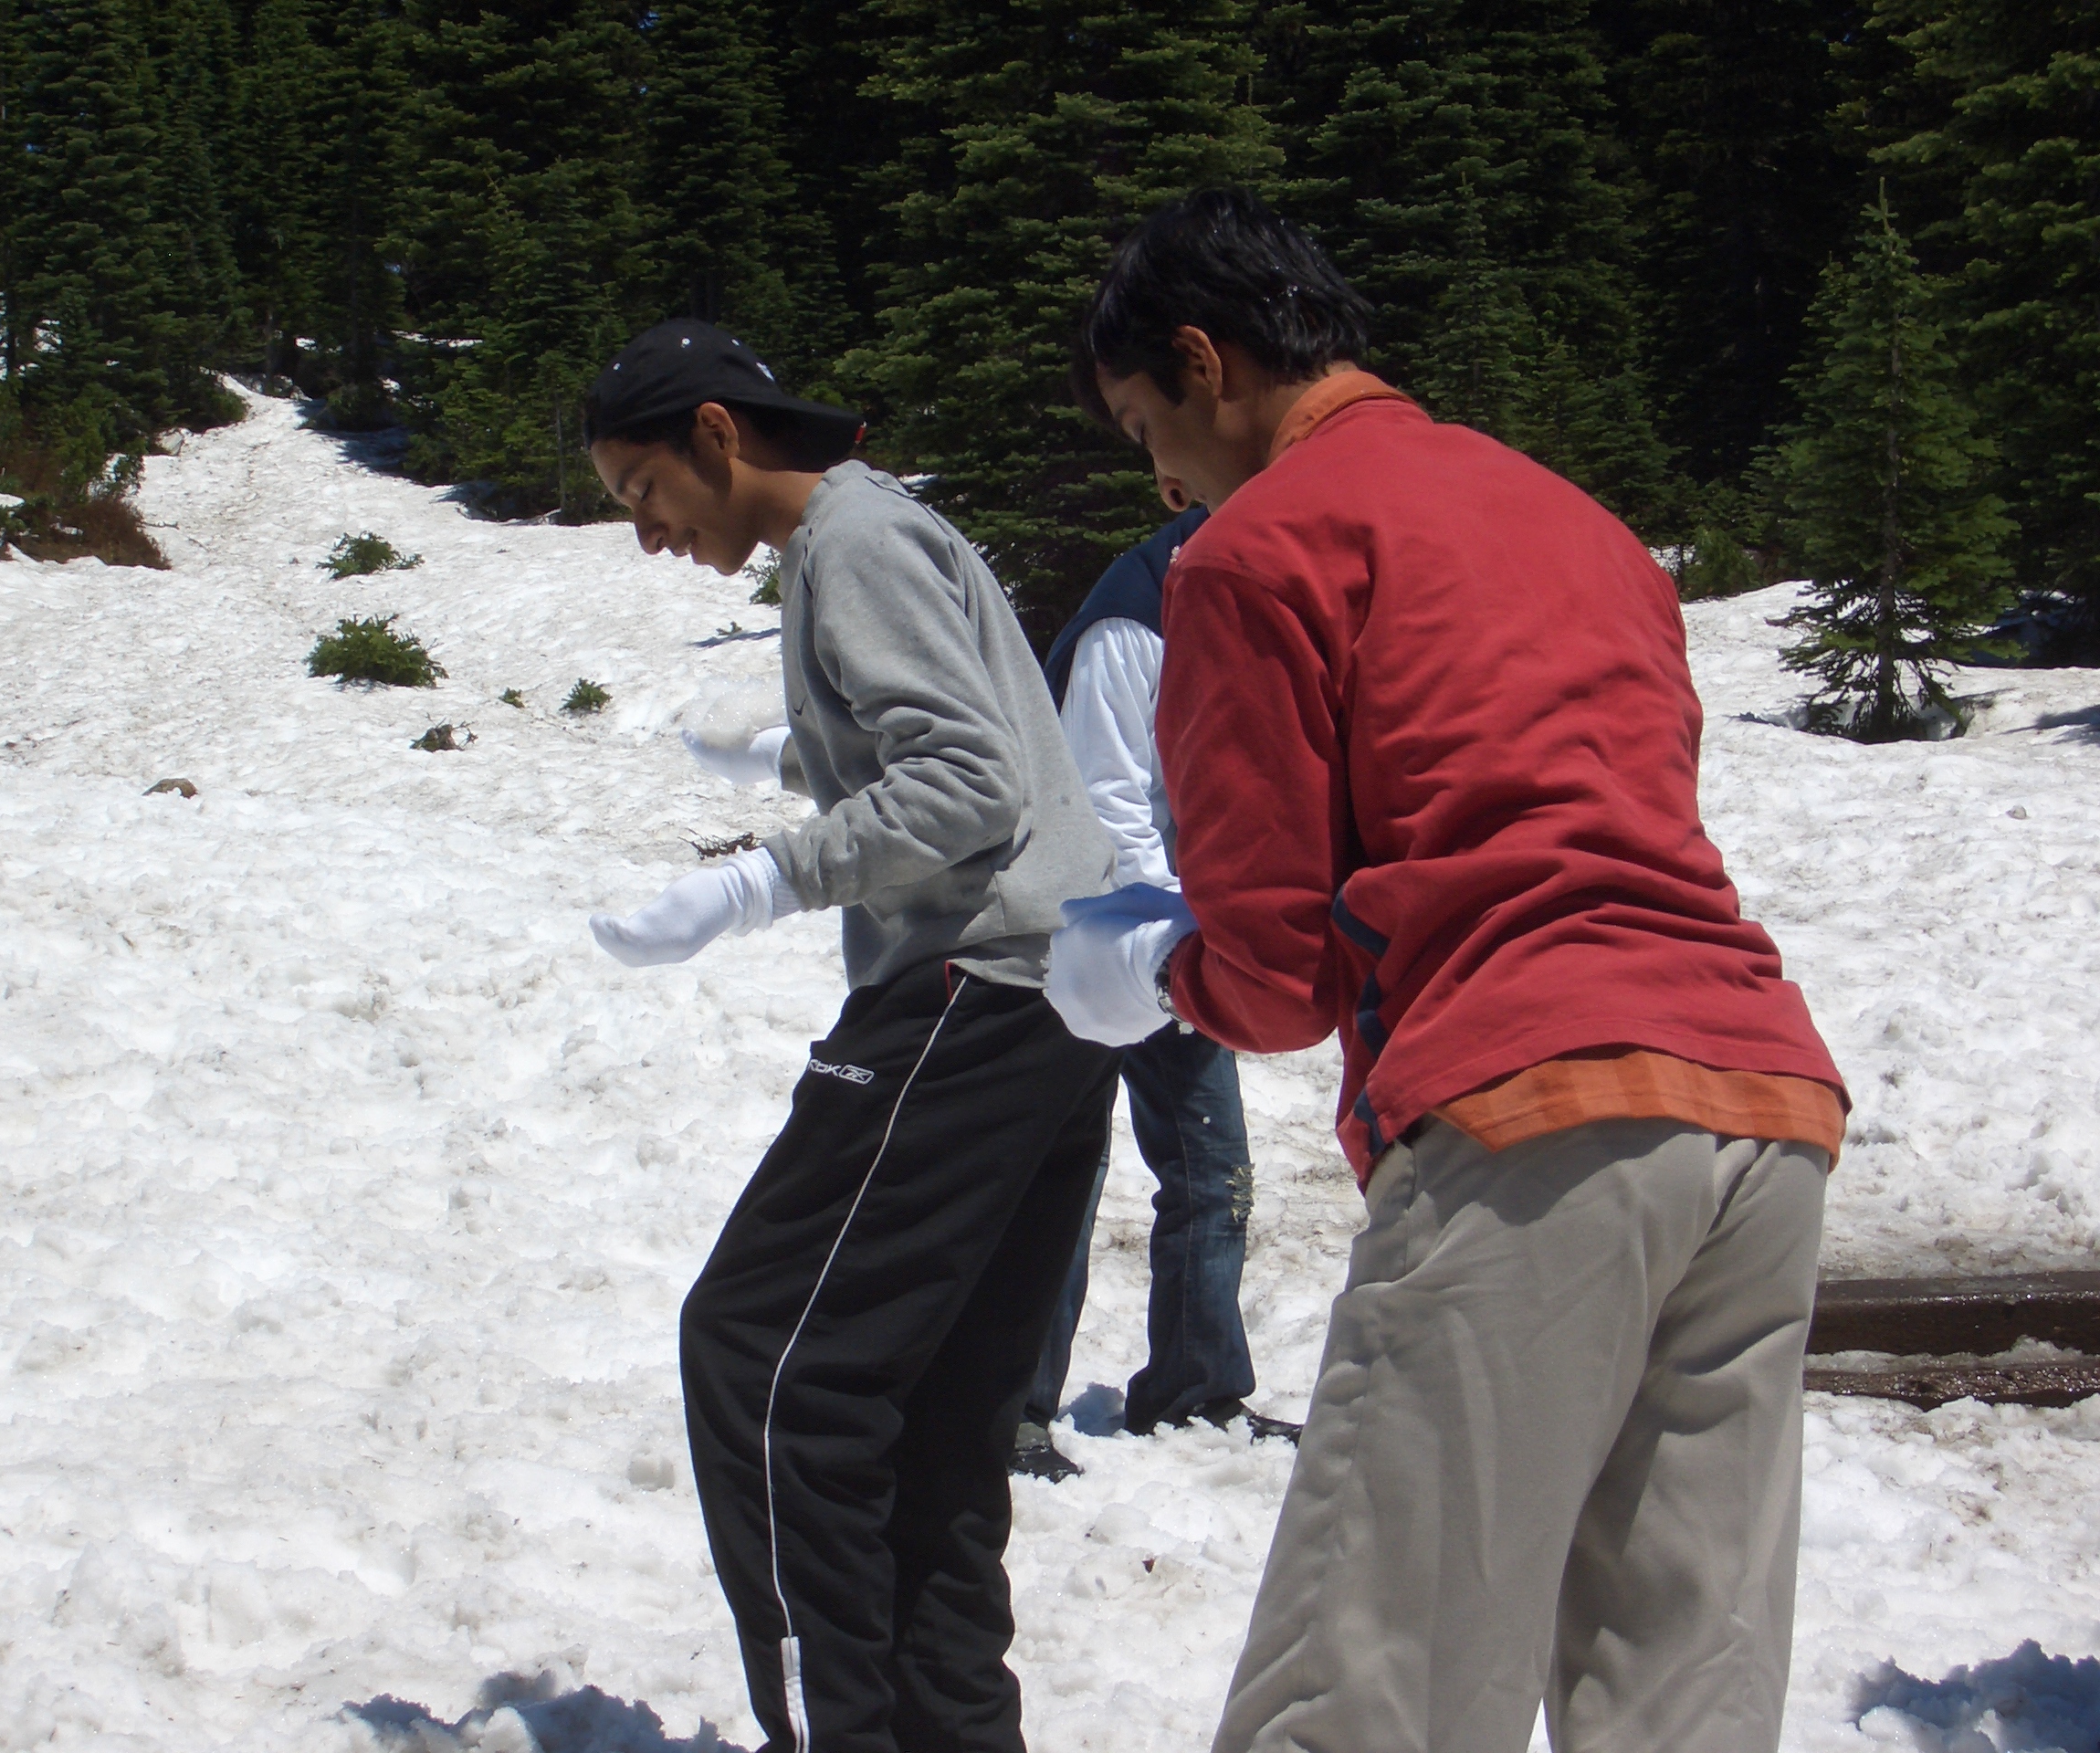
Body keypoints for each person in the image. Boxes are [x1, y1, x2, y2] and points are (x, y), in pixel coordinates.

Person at [1050, 188, 1849, 1753]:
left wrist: (1136, 965)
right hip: (1762, 1103)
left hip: (1532, 1120)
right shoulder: (1585, 526)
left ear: (1206, 361)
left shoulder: (1256, 551)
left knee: (1373, 1693)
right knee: (1683, 1698)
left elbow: (1274, 970)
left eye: (1146, 426)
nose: (1160, 479)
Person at [581, 318, 1119, 1753]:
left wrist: (757, 881)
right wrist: (792, 749)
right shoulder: (876, 530)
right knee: (934, 1414)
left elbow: (970, 786)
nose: (648, 533)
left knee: (767, 1362)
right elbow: (973, 732)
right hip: (1049, 1001)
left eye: (645, 491)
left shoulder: (854, 542)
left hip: (971, 989)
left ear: (714, 434)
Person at [1010, 484, 1295, 1486]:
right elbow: (1106, 809)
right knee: (1061, 1174)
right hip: (1082, 941)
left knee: (1212, 1170)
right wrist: (1180, 943)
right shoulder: (1133, 623)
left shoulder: (1254, 607)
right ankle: (1010, 1408)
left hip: (1177, 932)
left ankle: (1196, 1389)